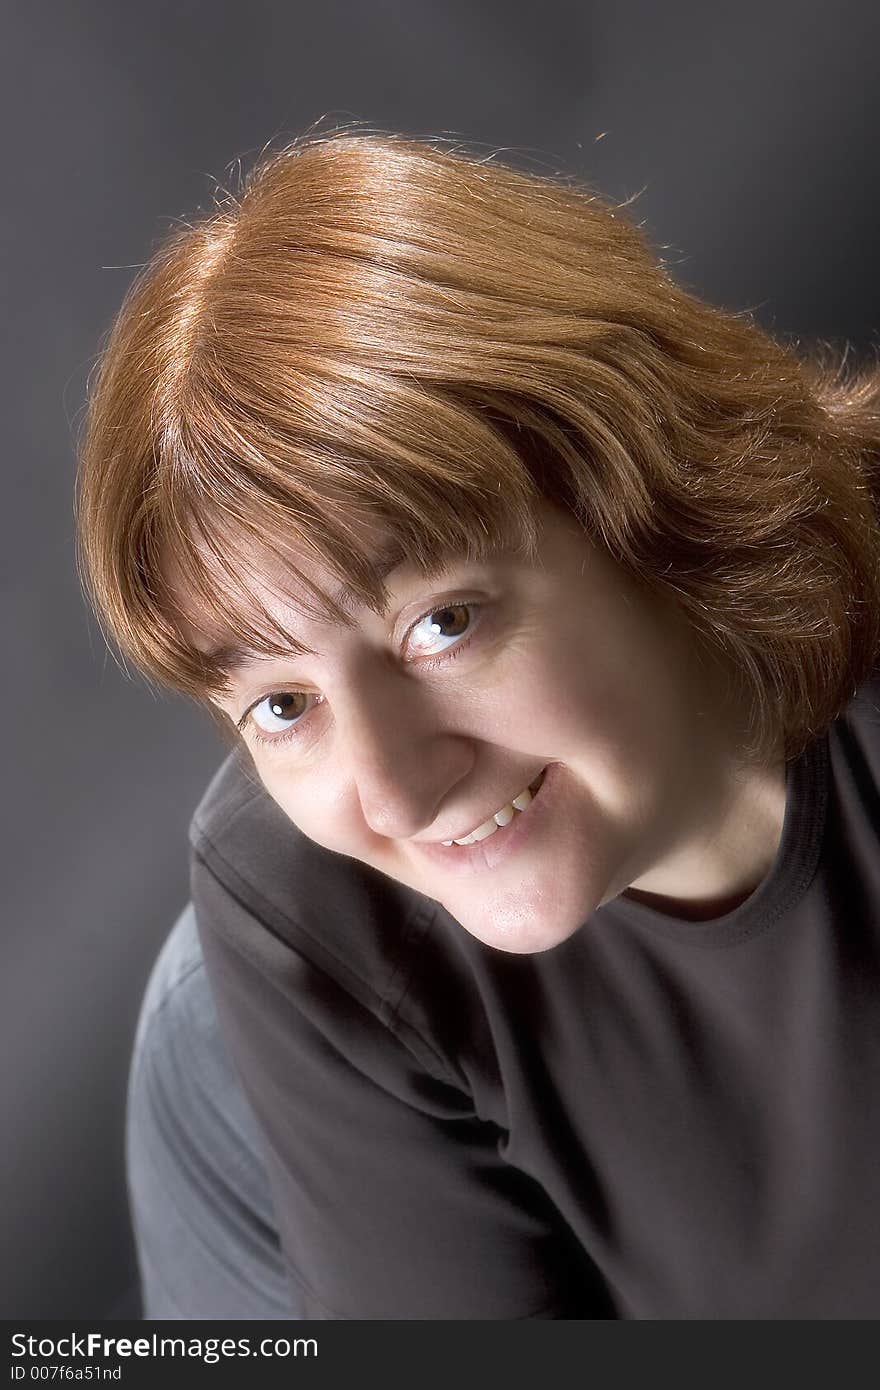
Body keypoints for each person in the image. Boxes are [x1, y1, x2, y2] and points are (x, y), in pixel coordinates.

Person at [76, 129, 880, 1319]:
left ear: (642, 491)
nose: (393, 793)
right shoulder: (304, 916)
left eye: (440, 624)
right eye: (280, 705)